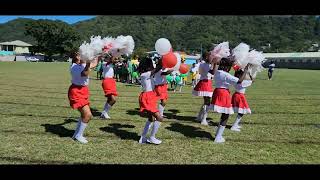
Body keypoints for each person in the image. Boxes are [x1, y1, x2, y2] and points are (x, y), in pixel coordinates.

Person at [207, 57, 250, 143]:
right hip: (223, 93)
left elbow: (212, 71)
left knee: (224, 115)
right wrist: (245, 71)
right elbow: (239, 81)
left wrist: (215, 63)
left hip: (217, 91)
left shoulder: (218, 72)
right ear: (227, 67)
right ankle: (218, 137)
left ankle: (218, 135)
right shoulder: (225, 74)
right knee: (225, 115)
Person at [68, 51, 99, 144]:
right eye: (78, 55)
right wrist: (88, 62)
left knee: (84, 115)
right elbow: (85, 73)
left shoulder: (82, 64)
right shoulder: (74, 67)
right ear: (75, 58)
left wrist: (99, 54)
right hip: (76, 91)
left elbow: (94, 64)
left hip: (83, 91)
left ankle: (76, 134)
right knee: (88, 115)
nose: (81, 55)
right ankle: (78, 135)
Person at [138, 57, 163, 145]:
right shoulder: (145, 74)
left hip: (149, 96)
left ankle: (143, 138)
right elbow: (158, 68)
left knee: (151, 118)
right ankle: (152, 137)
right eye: (151, 64)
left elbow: (158, 70)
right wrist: (162, 60)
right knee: (159, 117)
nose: (153, 66)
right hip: (147, 97)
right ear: (148, 66)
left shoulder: (146, 74)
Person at [192, 52, 214, 126]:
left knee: (206, 102)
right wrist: (214, 64)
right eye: (210, 56)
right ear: (207, 57)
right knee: (207, 102)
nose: (212, 58)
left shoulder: (202, 64)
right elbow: (212, 72)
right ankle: (203, 119)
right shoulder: (206, 65)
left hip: (205, 82)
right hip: (206, 83)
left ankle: (199, 117)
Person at [100, 54, 118, 119]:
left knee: (109, 99)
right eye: (107, 58)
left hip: (111, 81)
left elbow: (114, 60)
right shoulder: (105, 63)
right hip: (107, 81)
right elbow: (112, 60)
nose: (109, 58)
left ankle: (104, 113)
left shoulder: (109, 64)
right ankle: (105, 112)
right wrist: (114, 52)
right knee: (113, 100)